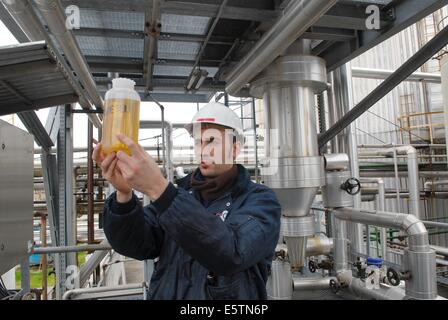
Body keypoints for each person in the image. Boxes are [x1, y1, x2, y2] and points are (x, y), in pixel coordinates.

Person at [93, 102, 281, 300]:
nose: (202, 150)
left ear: (234, 149)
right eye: (198, 142)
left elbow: (231, 253)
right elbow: (136, 244)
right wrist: (124, 195)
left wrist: (160, 189)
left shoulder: (260, 201)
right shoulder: (180, 192)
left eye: (212, 141)